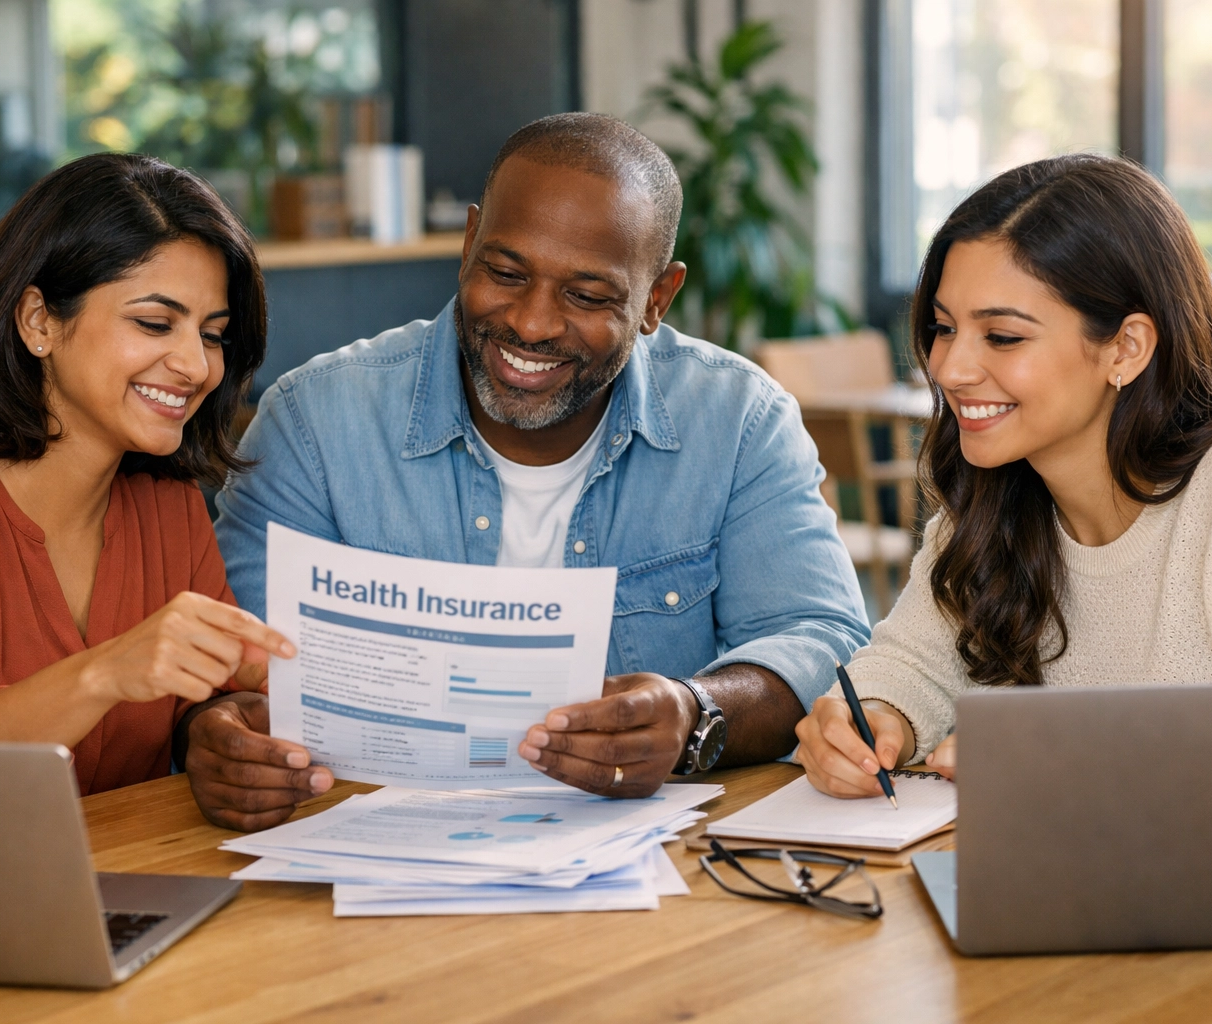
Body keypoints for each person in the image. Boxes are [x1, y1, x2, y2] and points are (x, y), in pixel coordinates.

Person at [182, 112, 871, 831]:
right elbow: (234, 666)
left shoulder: (737, 419)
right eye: (506, 273)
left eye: (588, 295)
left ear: (656, 300)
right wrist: (222, 734)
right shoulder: (315, 421)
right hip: (371, 845)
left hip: (653, 861)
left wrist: (695, 712)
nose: (533, 323)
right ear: (468, 245)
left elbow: (822, 638)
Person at [794, 153, 1212, 799]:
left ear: (1126, 348)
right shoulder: (997, 494)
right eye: (943, 328)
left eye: (1002, 337)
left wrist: (1074, 754)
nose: (949, 369)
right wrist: (874, 717)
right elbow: (910, 663)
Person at [0, 153, 308, 797]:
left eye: (212, 335)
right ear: (38, 320)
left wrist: (225, 727)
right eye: (154, 324)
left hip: (119, 862)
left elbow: (209, 700)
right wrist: (105, 674)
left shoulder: (168, 504)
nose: (195, 365)